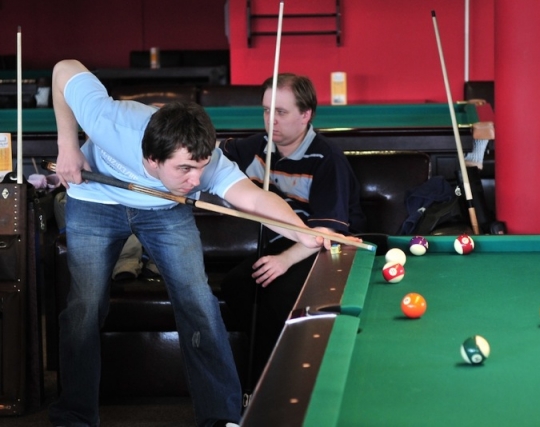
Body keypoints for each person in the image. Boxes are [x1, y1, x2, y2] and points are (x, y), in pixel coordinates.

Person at [48, 59, 355, 427]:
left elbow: (255, 198)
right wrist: (67, 145)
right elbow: (63, 69)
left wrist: (302, 232)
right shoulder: (109, 121)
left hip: (164, 209)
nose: (196, 181)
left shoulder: (207, 164)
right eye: (184, 169)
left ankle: (220, 418)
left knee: (199, 302)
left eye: (201, 168)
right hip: (96, 199)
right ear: (151, 159)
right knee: (84, 306)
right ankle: (74, 417)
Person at [219, 73, 366, 388]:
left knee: (278, 296)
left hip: (328, 251)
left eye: (281, 112)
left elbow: (326, 232)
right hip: (281, 246)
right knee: (235, 285)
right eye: (266, 110)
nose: (270, 120)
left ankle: (285, 381)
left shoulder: (327, 159)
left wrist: (284, 260)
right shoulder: (255, 148)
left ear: (305, 115)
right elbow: (213, 155)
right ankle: (269, 374)